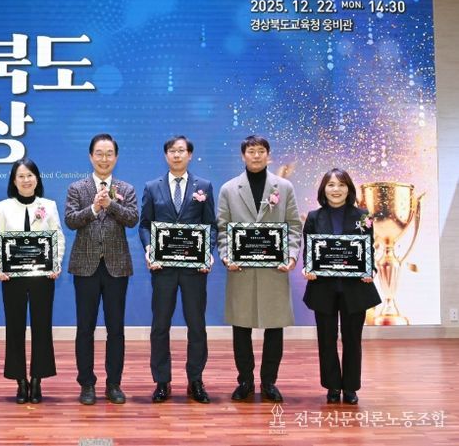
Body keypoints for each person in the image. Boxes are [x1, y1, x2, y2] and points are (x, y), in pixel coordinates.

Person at [217, 135, 301, 403]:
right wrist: (227, 256)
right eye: (251, 151)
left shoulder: (284, 187)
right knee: (241, 327)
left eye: (261, 151)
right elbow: (222, 229)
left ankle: (269, 382)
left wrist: (291, 256)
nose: (256, 155)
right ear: (243, 155)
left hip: (274, 270)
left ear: (269, 155)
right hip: (240, 270)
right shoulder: (229, 189)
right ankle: (245, 381)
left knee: (274, 327)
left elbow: (293, 226)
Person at [139, 135, 216, 404]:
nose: (177, 155)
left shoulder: (204, 186)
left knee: (197, 326)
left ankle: (196, 380)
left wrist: (207, 252)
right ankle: (162, 381)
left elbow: (211, 225)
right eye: (172, 151)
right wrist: (150, 249)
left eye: (181, 150)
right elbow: (145, 225)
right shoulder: (152, 187)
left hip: (194, 270)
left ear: (190, 155)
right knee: (160, 326)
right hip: (163, 269)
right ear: (166, 155)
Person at [64, 133, 138, 405]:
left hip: (117, 267)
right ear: (90, 156)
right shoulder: (77, 188)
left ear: (116, 157)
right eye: (99, 153)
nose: (104, 159)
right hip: (85, 267)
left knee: (115, 329)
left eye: (109, 154)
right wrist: (94, 208)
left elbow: (132, 219)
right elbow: (71, 221)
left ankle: (114, 384)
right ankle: (87, 384)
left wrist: (111, 205)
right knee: (85, 328)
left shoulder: (126, 188)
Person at [302, 168, 381, 405]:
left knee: (352, 340)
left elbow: (368, 249)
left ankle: (351, 387)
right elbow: (309, 250)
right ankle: (333, 386)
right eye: (331, 185)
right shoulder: (314, 217)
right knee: (326, 340)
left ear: (349, 189)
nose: (336, 190)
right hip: (323, 288)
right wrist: (307, 268)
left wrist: (370, 270)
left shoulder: (363, 215)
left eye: (341, 185)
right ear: (323, 189)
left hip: (355, 289)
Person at [0, 158, 65, 404]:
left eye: (30, 175)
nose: (26, 180)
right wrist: (0, 266)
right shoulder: (3, 207)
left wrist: (55, 264)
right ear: (14, 181)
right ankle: (20, 381)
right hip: (12, 277)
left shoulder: (48, 205)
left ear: (37, 178)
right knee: (15, 328)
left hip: (42, 277)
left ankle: (37, 379)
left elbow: (58, 237)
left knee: (42, 327)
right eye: (21, 176)